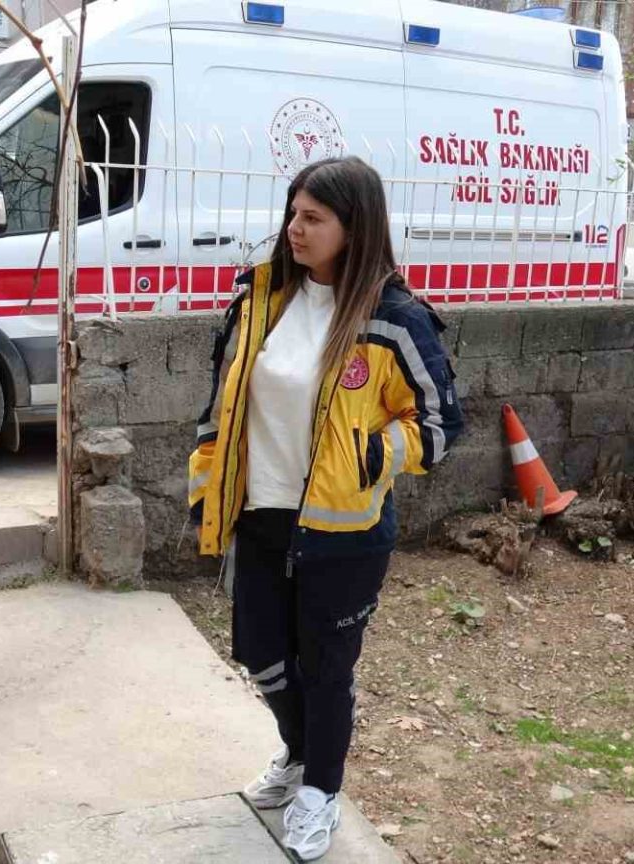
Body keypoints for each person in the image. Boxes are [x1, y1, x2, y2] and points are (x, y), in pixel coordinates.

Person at [187, 157, 464, 861]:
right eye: (293, 213)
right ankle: (301, 750)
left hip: (345, 531)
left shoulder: (395, 320)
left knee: (326, 667)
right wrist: (206, 488)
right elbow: (220, 409)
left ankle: (320, 791)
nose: (295, 228)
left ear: (354, 228)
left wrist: (372, 456)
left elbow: (440, 422)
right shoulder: (261, 301)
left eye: (313, 217)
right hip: (260, 514)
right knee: (261, 654)